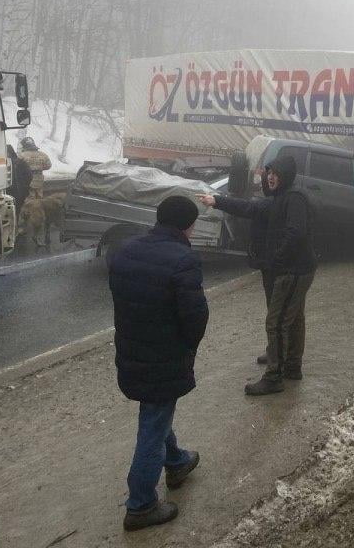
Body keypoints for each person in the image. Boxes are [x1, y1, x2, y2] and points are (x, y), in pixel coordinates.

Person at [109, 195, 209, 531]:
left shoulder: (125, 250)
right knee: (153, 420)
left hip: (131, 351)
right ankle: (140, 505)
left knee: (156, 410)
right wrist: (187, 348)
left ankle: (177, 461)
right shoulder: (183, 259)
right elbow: (195, 316)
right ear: (187, 225)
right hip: (164, 356)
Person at [198, 154, 315, 395]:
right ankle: (291, 365)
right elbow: (248, 208)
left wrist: (276, 260)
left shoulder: (294, 198)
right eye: (268, 173)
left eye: (276, 173)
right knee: (292, 319)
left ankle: (274, 377)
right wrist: (216, 201)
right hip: (289, 269)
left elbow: (296, 234)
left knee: (277, 322)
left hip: (291, 270)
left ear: (286, 176)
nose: (271, 177)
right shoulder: (276, 199)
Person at [7, 144, 31, 213]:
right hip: (21, 193)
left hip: (9, 192)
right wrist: (25, 186)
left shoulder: (3, 163)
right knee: (17, 211)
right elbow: (29, 176)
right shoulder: (21, 162)